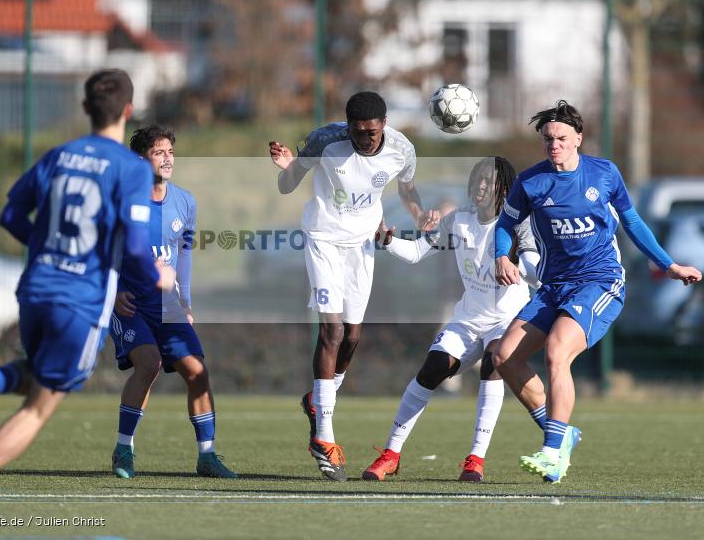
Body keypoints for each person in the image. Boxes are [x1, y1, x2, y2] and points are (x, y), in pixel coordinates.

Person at [0, 69, 175, 519]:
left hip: (35, 290)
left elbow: (11, 214)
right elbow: (137, 248)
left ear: (85, 109)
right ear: (127, 111)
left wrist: (48, 248)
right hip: (79, 303)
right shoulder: (129, 169)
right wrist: (156, 274)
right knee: (40, 407)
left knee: (42, 372)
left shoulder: (59, 155)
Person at [492, 100, 702, 483]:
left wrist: (668, 265)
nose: (553, 145)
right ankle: (561, 432)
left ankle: (552, 453)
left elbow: (633, 221)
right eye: (547, 139)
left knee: (557, 351)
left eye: (561, 138)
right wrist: (501, 257)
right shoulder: (531, 181)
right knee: (504, 357)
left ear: (578, 139)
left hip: (600, 281)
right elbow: (504, 226)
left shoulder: (604, 173)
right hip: (554, 285)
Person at [268, 91, 437, 482]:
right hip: (323, 239)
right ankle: (324, 436)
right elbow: (287, 186)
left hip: (363, 244)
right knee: (333, 330)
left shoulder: (401, 149)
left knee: (353, 338)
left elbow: (406, 189)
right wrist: (287, 166)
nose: (366, 141)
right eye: (359, 133)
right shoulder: (324, 141)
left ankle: (317, 400)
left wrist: (419, 216)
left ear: (384, 125)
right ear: (348, 127)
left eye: (373, 133)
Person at [362, 157, 539, 482]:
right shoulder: (458, 221)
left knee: (493, 364)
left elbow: (534, 266)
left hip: (506, 321)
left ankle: (475, 460)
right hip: (468, 319)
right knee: (431, 370)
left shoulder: (518, 224)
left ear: (505, 187)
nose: (481, 185)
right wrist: (387, 240)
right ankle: (391, 454)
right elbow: (417, 252)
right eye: (477, 179)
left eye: (489, 180)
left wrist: (524, 272)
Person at [108, 124, 236, 480]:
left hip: (168, 304)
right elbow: (104, 248)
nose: (167, 159)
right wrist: (114, 290)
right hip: (130, 302)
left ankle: (207, 457)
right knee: (147, 365)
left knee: (197, 372)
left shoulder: (184, 201)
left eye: (171, 153)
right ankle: (123, 450)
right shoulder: (123, 200)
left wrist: (186, 299)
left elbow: (184, 252)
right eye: (159, 152)